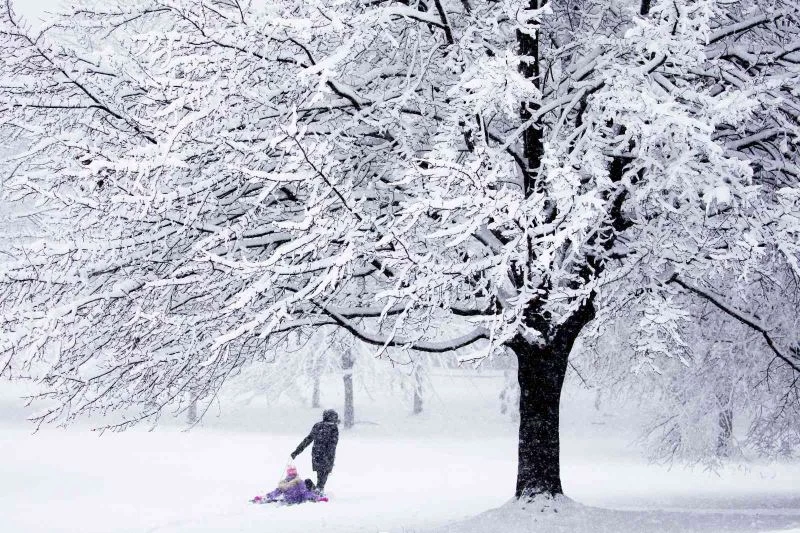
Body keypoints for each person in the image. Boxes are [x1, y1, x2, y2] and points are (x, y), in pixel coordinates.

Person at [291, 409, 339, 493]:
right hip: (327, 455)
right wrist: (329, 457)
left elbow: (308, 439)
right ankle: (318, 490)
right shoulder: (333, 428)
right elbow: (333, 444)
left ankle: (316, 488)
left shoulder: (318, 426)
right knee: (323, 474)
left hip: (317, 454)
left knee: (320, 474)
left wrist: (297, 451)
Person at [257, 465, 325, 504]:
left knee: (307, 482)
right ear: (295, 473)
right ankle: (318, 493)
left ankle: (316, 493)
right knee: (308, 481)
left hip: (289, 500)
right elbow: (305, 493)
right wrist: (316, 498)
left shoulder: (283, 483)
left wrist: (265, 497)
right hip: (298, 500)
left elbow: (276, 492)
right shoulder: (299, 482)